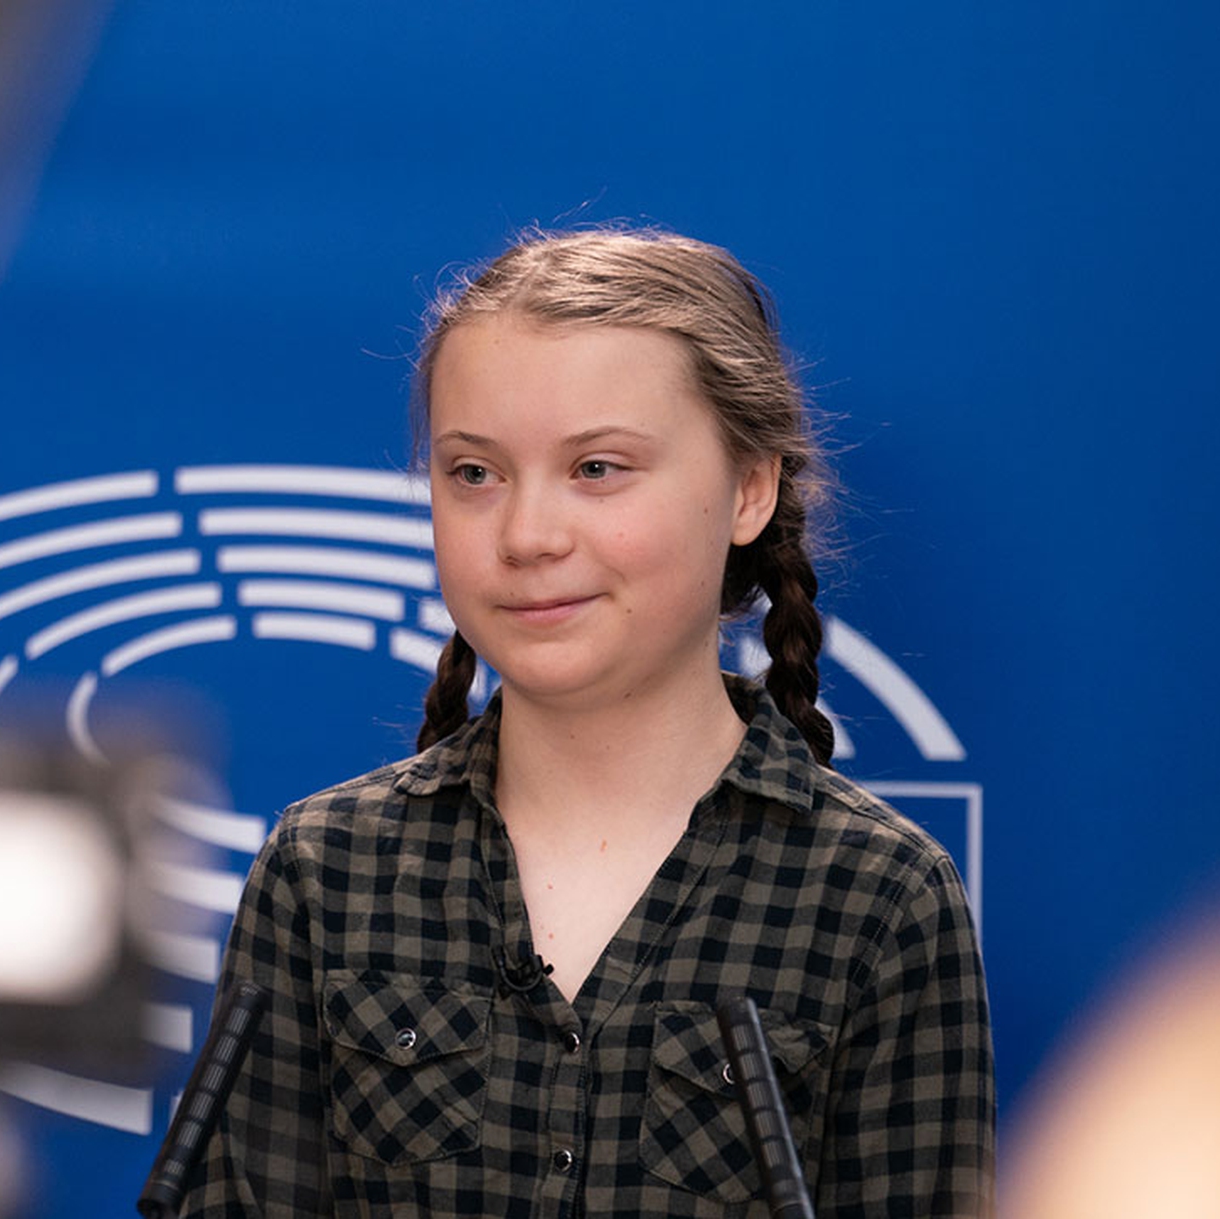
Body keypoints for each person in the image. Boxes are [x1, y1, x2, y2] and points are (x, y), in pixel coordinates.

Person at [181, 227, 994, 1217]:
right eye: (474, 473)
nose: (527, 537)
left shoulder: (881, 897)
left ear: (750, 487)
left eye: (599, 468)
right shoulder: (322, 868)